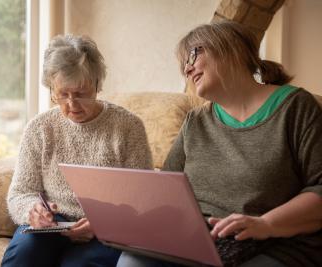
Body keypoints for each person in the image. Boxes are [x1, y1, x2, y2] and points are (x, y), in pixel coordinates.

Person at [117, 21, 322, 267]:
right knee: (133, 261)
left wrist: (266, 224)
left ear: (231, 48)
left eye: (193, 55)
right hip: (200, 239)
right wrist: (120, 215)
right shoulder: (195, 121)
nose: (188, 68)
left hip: (274, 241)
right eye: (183, 65)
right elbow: (165, 190)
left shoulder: (297, 106)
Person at [1, 34, 153, 267]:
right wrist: (34, 212)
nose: (72, 104)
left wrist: (102, 223)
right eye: (62, 94)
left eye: (81, 93)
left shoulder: (128, 127)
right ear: (51, 89)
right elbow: (20, 193)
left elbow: (142, 200)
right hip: (53, 225)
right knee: (24, 253)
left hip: (106, 229)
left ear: (97, 84)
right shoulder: (39, 128)